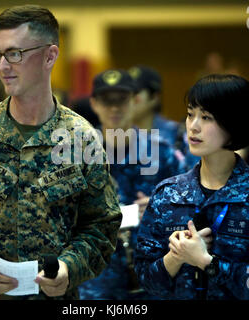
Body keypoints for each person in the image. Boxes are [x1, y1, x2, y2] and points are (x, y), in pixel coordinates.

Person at [0, 5, 121, 300]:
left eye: (14, 54)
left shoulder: (82, 139)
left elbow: (101, 229)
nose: (2, 66)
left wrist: (68, 267)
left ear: (50, 56)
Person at [135, 74, 249, 300]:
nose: (193, 127)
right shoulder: (168, 194)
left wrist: (208, 262)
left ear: (234, 124)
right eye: (190, 114)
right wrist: (176, 257)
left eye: (206, 117)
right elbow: (145, 279)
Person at [78, 69, 185, 299]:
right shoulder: (78, 154)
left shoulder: (161, 151)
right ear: (94, 104)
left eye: (121, 100)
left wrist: (162, 207)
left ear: (135, 101)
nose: (114, 108)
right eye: (107, 101)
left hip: (152, 271)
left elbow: (190, 207)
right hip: (97, 277)